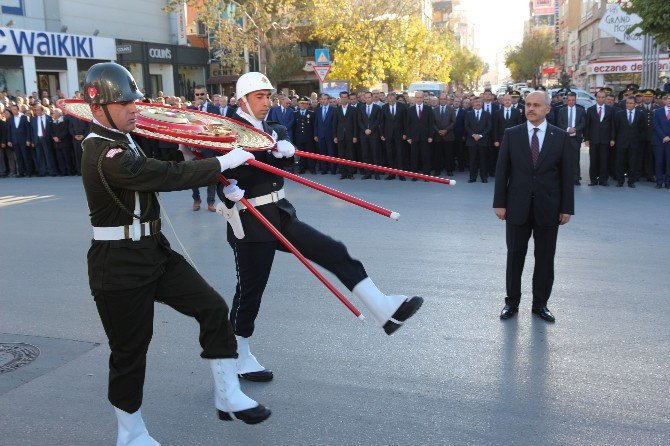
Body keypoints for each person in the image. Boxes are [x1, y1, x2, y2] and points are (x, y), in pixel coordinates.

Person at [80, 63, 270, 445]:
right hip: (117, 264)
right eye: (125, 102)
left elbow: (165, 163)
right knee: (130, 352)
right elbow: (159, 176)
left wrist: (197, 153)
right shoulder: (102, 150)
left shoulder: (124, 136)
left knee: (213, 308)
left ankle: (227, 393)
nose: (136, 108)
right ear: (98, 107)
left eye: (136, 100)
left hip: (154, 250)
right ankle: (130, 434)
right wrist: (221, 162)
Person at [216, 72, 424, 383]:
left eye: (268, 96)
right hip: (250, 220)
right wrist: (225, 191)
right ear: (242, 100)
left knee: (334, 251)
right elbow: (210, 169)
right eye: (259, 97)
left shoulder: (276, 128)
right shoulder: (225, 132)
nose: (266, 103)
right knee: (250, 292)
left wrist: (285, 152)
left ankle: (382, 306)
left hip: (280, 213)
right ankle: (238, 355)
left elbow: (281, 166)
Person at [493, 91, 574, 323]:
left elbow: (567, 176)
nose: (530, 108)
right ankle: (512, 303)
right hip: (516, 207)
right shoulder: (512, 134)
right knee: (514, 257)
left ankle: (540, 304)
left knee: (545, 259)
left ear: (548, 109)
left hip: (549, 208)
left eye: (536, 105)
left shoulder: (560, 137)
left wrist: (566, 208)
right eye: (528, 104)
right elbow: (502, 172)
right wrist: (499, 203)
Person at [584, 90, 615, 186]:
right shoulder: (590, 110)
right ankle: (593, 180)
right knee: (593, 160)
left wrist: (612, 138)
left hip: (605, 140)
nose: (600, 99)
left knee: (604, 160)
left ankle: (603, 180)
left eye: (602, 97)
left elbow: (612, 125)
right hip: (593, 139)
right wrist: (586, 139)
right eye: (599, 97)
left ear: (605, 98)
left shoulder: (610, 110)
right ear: (596, 98)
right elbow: (587, 125)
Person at [613, 97, 644, 187]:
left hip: (634, 143)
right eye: (627, 103)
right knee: (620, 162)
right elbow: (616, 128)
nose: (629, 105)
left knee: (633, 162)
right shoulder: (619, 114)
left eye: (631, 103)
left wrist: (638, 140)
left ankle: (631, 181)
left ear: (635, 104)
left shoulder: (640, 114)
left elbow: (642, 129)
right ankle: (620, 181)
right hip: (621, 143)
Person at [556, 92, 586, 185]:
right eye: (569, 100)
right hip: (564, 139)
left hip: (575, 139)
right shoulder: (562, 110)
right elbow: (559, 123)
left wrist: (575, 129)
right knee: (564, 159)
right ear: (566, 100)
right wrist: (568, 129)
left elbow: (583, 123)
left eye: (573, 100)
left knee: (575, 160)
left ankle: (576, 178)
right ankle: (565, 178)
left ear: (575, 100)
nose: (571, 102)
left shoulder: (581, 110)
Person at [405, 91, 434, 179]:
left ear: (423, 98)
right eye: (417, 97)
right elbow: (407, 124)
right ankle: (414, 175)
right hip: (414, 137)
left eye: (420, 97)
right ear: (415, 98)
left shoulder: (428, 109)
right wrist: (408, 137)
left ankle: (426, 176)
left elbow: (431, 123)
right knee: (414, 156)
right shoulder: (410, 109)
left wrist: (430, 136)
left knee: (426, 156)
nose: (419, 99)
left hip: (425, 137)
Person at [380, 92, 407, 180]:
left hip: (399, 134)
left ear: (395, 99)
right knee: (390, 154)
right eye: (389, 99)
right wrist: (382, 134)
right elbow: (382, 122)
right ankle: (391, 174)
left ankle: (401, 174)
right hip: (388, 134)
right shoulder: (384, 107)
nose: (391, 101)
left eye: (392, 99)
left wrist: (405, 133)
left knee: (400, 154)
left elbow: (405, 121)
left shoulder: (402, 107)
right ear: (387, 99)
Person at [465, 97, 492, 183]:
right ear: (473, 103)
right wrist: (473, 135)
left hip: (483, 141)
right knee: (472, 161)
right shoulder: (469, 114)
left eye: (479, 102)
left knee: (483, 161)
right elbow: (466, 126)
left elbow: (489, 126)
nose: (478, 103)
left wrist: (480, 135)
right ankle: (472, 177)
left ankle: (484, 177)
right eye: (476, 102)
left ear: (482, 103)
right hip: (471, 141)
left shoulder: (487, 114)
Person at [333, 91, 358, 179]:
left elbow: (355, 124)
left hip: (350, 136)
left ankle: (350, 173)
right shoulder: (337, 110)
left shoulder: (353, 109)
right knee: (341, 155)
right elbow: (335, 124)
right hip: (340, 136)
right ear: (340, 98)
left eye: (345, 97)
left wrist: (355, 136)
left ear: (348, 98)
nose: (344, 99)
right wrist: (335, 136)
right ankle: (343, 173)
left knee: (350, 155)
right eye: (342, 97)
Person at [357, 91, 382, 179]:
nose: (367, 99)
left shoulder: (377, 108)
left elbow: (378, 120)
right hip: (363, 135)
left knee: (375, 153)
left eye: (369, 97)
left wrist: (371, 129)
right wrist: (365, 130)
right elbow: (359, 121)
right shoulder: (361, 108)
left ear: (372, 98)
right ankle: (368, 173)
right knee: (365, 154)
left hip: (374, 134)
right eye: (366, 97)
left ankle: (376, 173)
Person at [432, 93, 456, 176]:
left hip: (448, 135)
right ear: (439, 100)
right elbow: (432, 123)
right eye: (441, 99)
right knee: (437, 154)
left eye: (444, 99)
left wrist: (446, 130)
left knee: (449, 154)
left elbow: (453, 122)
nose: (443, 100)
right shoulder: (434, 109)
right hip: (437, 136)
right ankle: (437, 170)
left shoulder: (451, 109)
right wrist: (438, 130)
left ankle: (449, 170)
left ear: (447, 100)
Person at [651, 92, 670, 189]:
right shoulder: (658, 111)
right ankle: (659, 182)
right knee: (658, 162)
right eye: (668, 99)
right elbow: (655, 125)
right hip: (659, 141)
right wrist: (663, 136)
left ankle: (668, 182)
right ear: (665, 100)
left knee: (669, 163)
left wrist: (668, 137)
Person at [294, 96, 317, 174]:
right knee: (301, 154)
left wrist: (314, 136)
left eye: (304, 104)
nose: (302, 105)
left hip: (309, 137)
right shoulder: (295, 113)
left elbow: (314, 126)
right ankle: (301, 169)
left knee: (310, 153)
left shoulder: (311, 113)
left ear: (307, 105)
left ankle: (312, 168)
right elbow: (294, 127)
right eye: (301, 103)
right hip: (299, 137)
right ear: (298, 104)